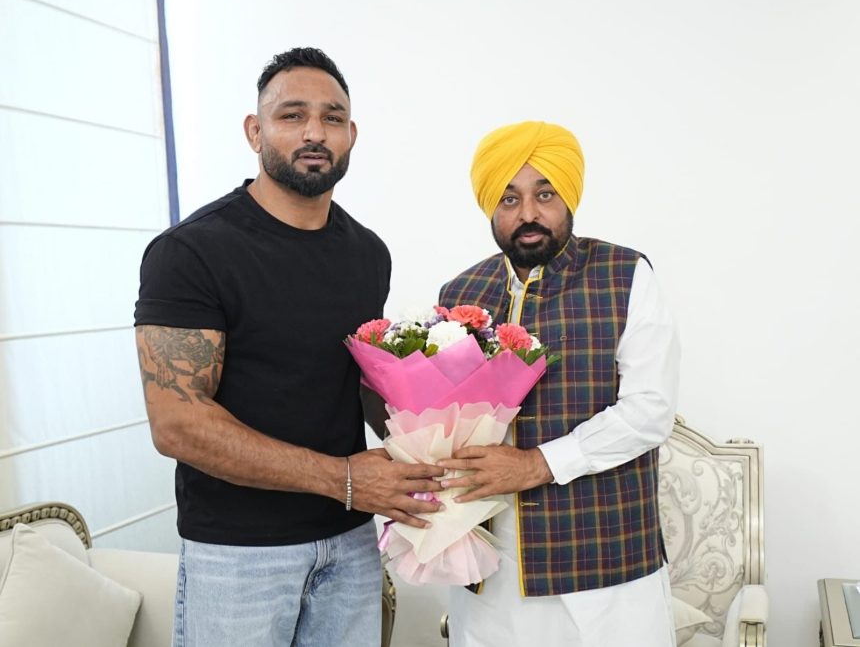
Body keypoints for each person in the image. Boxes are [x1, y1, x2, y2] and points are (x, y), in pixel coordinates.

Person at [134, 47, 444, 647]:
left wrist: (437, 446)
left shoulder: (367, 253)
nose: (314, 132)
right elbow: (177, 424)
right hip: (237, 556)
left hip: (350, 544)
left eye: (332, 118)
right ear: (255, 131)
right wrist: (344, 479)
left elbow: (356, 382)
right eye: (292, 115)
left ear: (351, 135)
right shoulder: (192, 252)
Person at [437, 121, 681, 646]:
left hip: (605, 572)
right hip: (490, 575)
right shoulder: (461, 291)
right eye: (509, 198)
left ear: (568, 197)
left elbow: (649, 411)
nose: (528, 213)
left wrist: (536, 464)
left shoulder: (624, 274)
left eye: (544, 194)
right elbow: (440, 417)